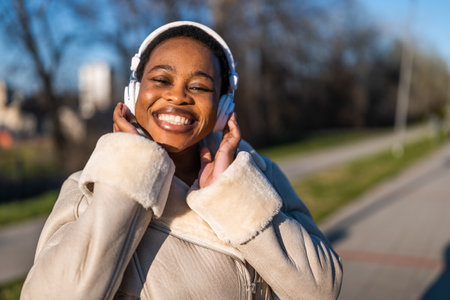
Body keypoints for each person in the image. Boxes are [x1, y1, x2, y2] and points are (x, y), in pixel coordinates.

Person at [21, 21, 342, 299]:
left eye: (200, 86)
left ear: (222, 107)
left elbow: (321, 290)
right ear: (133, 93)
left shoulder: (258, 175)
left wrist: (231, 192)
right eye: (161, 80)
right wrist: (127, 179)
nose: (178, 96)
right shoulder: (88, 188)